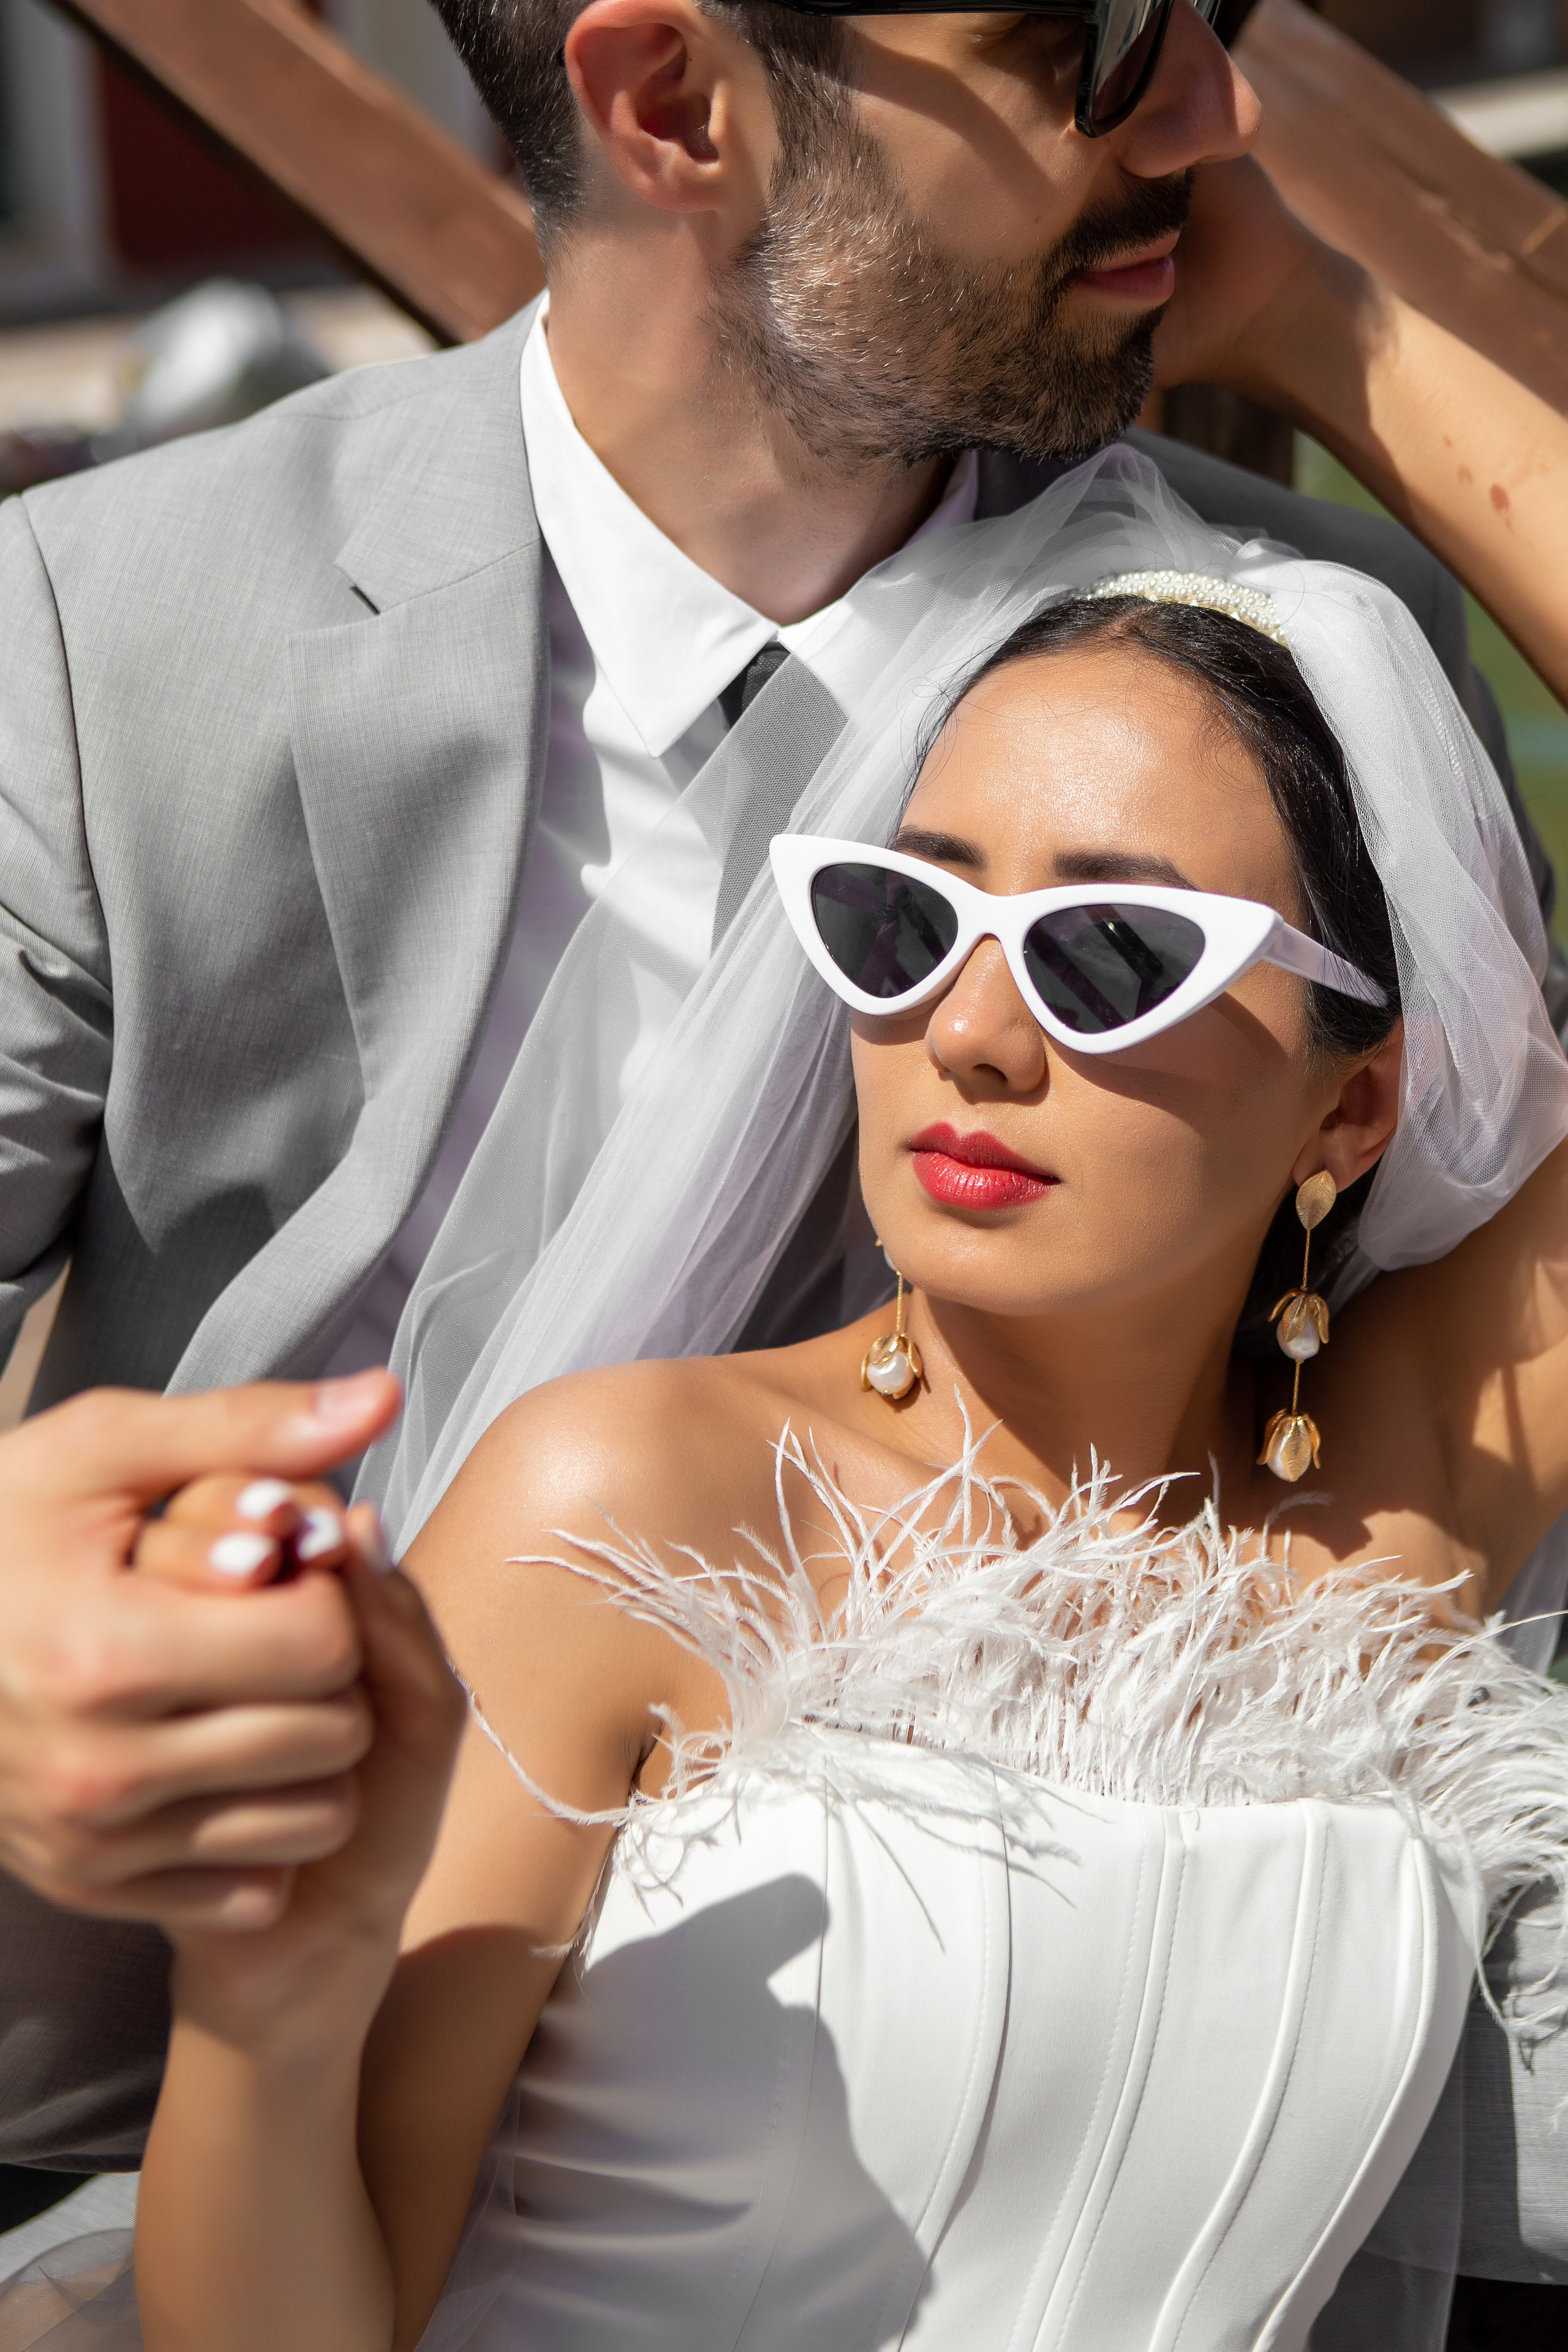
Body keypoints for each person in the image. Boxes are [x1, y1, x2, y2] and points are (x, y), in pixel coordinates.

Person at [0, 0, 1562, 2191]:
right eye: (1089, 44)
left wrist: (1339, 328)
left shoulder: (1305, 667)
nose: (1219, 113)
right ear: (671, 105)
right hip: (175, 2153)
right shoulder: (100, 631)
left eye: (1116, 956)